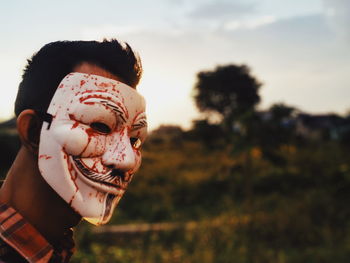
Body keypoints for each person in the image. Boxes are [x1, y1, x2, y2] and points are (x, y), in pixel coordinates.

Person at [0, 39, 148, 263]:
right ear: (32, 131)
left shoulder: (55, 251)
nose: (126, 160)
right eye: (100, 126)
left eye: (134, 140)